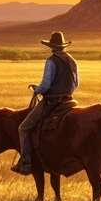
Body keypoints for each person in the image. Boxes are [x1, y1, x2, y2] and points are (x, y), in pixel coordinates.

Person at [12, 31, 79, 173]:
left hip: (53, 102)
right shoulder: (72, 60)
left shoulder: (51, 61)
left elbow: (46, 85)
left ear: (51, 46)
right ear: (63, 46)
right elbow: (76, 84)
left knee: (23, 128)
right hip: (69, 100)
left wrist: (37, 89)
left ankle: (26, 163)